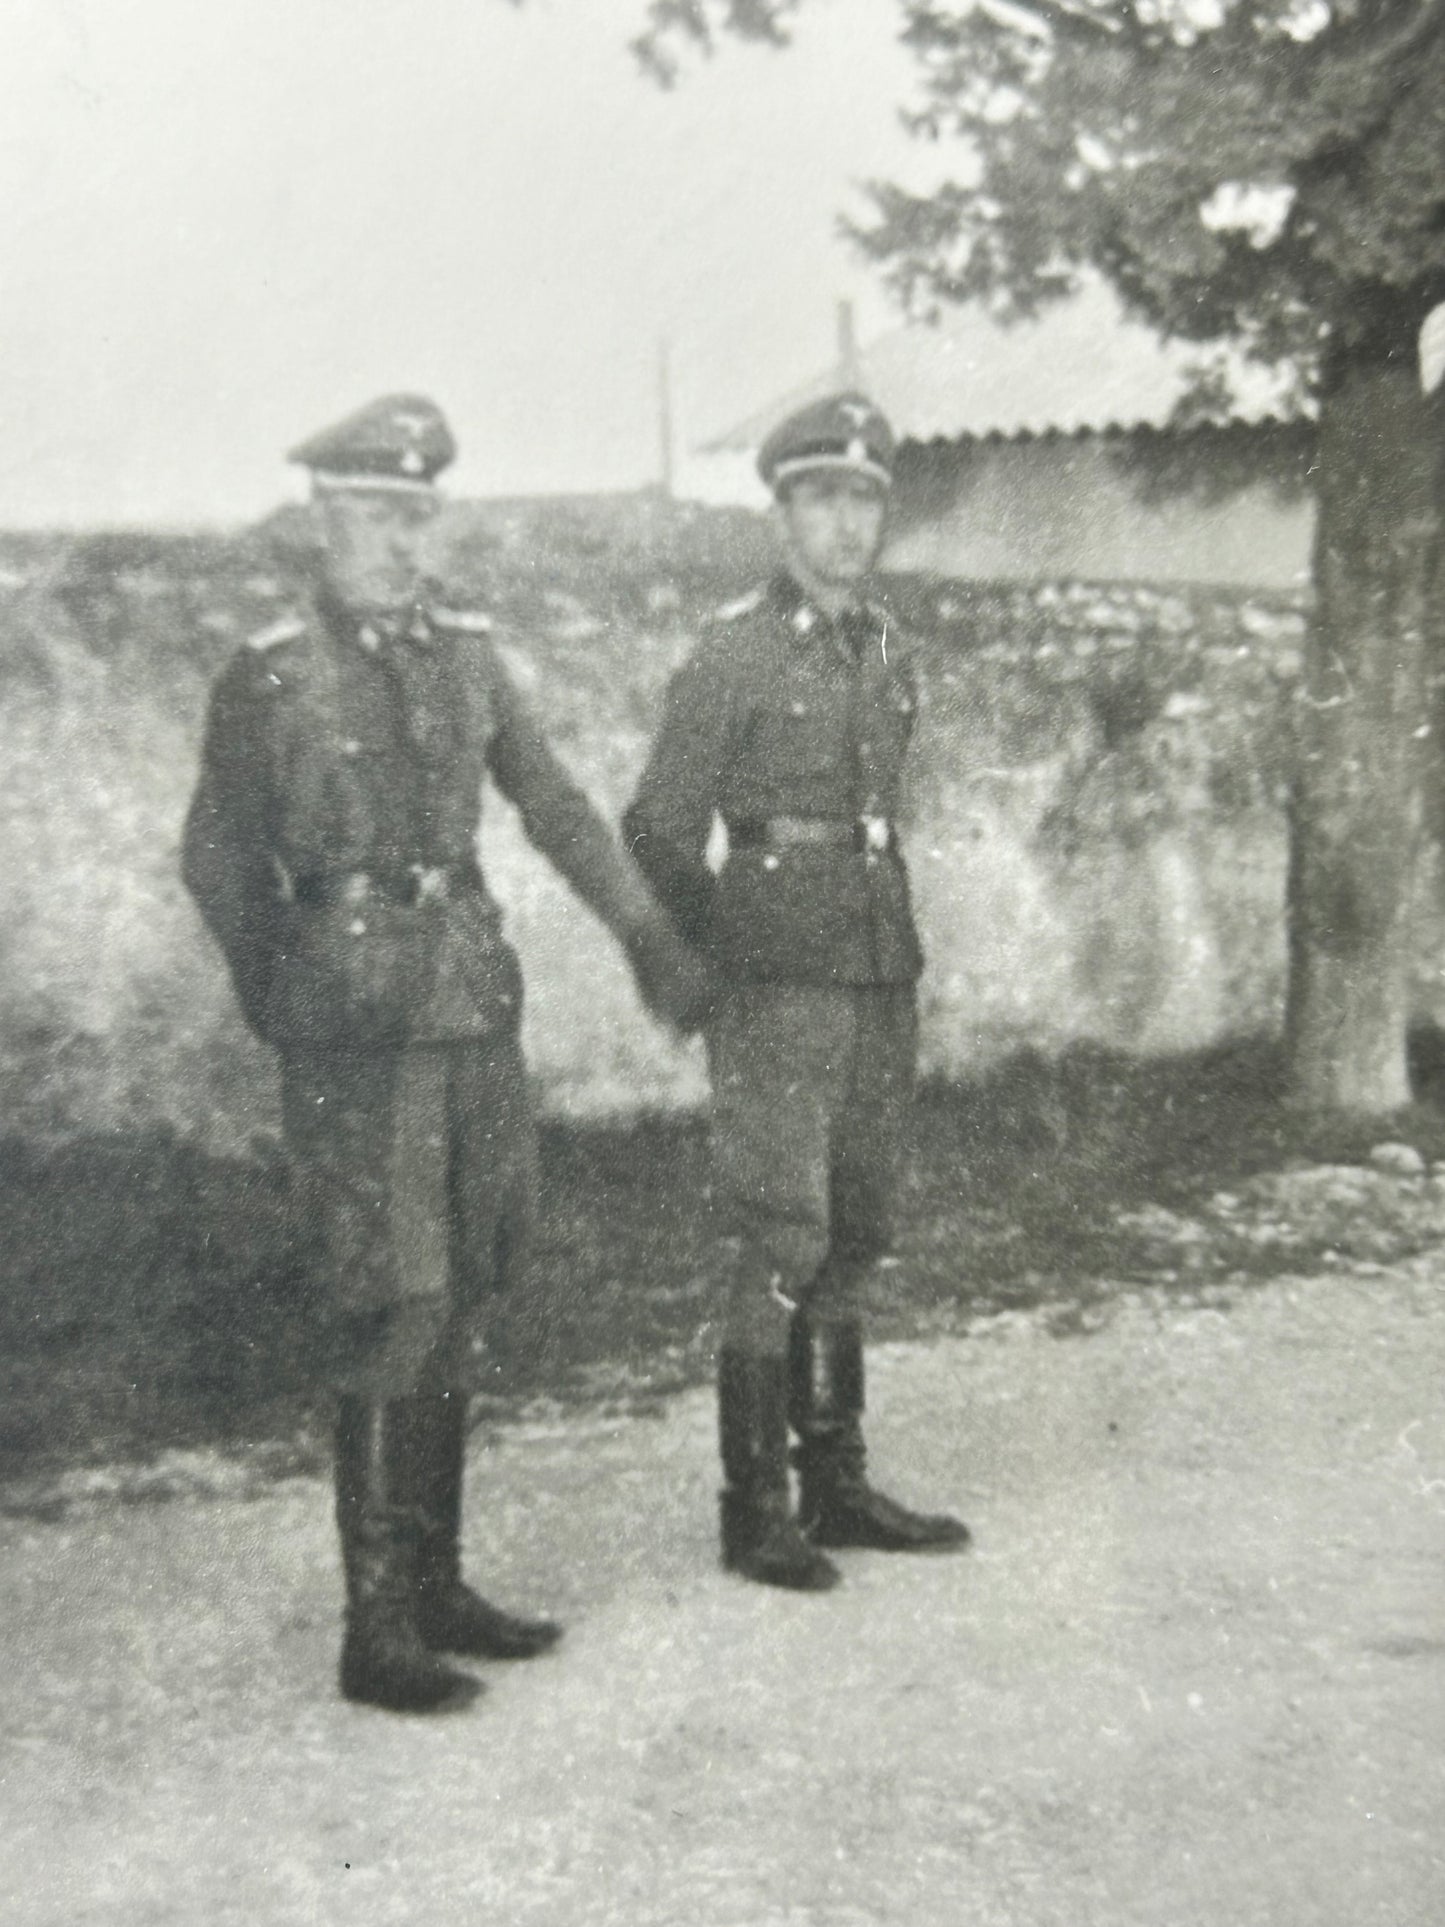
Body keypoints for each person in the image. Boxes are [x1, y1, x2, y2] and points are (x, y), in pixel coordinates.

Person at [183, 395, 708, 1713]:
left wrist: (647, 930)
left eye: (418, 517)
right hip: (350, 1024)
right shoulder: (269, 668)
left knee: (464, 1284)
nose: (401, 544)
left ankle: (436, 1583)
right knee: (389, 1297)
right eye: (372, 516)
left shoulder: (470, 657)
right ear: (322, 516)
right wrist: (282, 988)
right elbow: (217, 855)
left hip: (472, 1002)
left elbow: (554, 805)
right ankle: (375, 1626)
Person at [623, 392, 970, 1592]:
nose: (846, 524)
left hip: (877, 961)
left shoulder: (883, 645)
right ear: (780, 513)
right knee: (783, 1229)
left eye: (865, 500)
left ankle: (834, 1483)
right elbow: (658, 828)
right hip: (778, 978)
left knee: (859, 1222)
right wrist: (727, 951)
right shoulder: (733, 651)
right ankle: (752, 1507)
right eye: (823, 498)